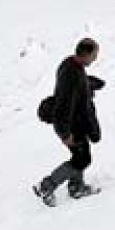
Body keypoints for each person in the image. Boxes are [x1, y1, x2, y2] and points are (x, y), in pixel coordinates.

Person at [33, 38, 103, 206]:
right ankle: (46, 186)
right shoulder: (71, 75)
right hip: (72, 125)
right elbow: (64, 105)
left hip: (78, 122)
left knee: (80, 154)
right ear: (85, 54)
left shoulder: (72, 65)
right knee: (82, 158)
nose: (95, 59)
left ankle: (77, 187)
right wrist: (65, 133)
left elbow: (78, 87)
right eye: (94, 55)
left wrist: (90, 84)